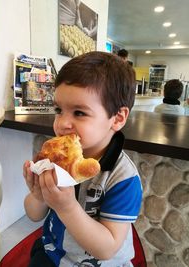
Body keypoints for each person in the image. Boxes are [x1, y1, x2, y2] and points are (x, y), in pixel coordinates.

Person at [23, 51, 143, 267]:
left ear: (117, 118)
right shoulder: (57, 160)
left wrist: (67, 207)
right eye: (59, 110)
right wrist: (39, 195)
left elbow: (107, 248)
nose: (62, 123)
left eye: (79, 113)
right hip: (54, 252)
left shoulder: (123, 178)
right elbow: (33, 215)